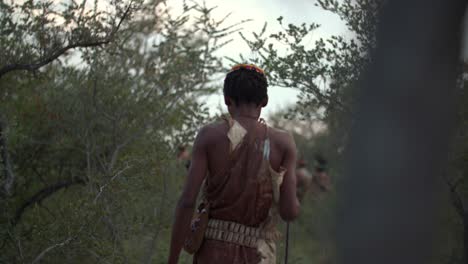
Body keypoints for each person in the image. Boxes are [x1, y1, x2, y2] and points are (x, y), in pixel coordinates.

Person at [168, 64, 300, 264]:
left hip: (212, 253)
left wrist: (172, 260)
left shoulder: (210, 135)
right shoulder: (283, 143)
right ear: (264, 101)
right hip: (259, 255)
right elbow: (289, 212)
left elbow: (187, 202)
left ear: (227, 100)